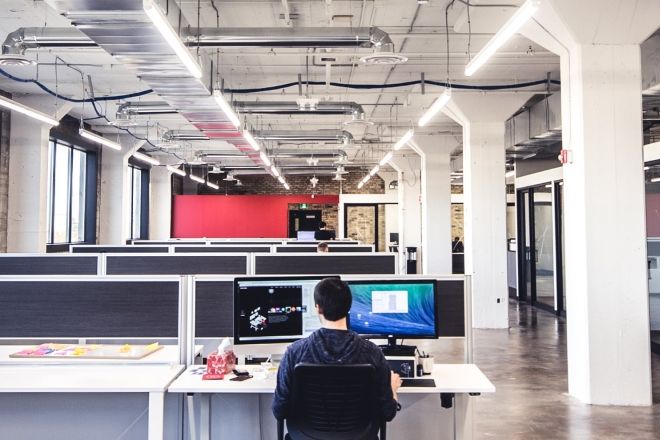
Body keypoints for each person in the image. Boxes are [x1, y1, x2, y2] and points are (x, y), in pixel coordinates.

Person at [272, 278, 401, 425]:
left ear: (318, 308)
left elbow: (279, 411)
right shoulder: (373, 353)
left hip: (306, 436)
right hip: (360, 436)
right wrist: (393, 389)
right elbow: (388, 413)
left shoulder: (294, 352)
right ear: (349, 307)